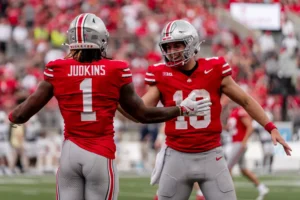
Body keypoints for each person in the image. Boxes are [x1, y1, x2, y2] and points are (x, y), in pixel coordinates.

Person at [8, 13, 210, 200]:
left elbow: (20, 115)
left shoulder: (58, 68)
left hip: (70, 153)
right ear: (101, 39)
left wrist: (12, 117)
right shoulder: (115, 69)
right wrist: (182, 109)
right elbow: (143, 114)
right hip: (100, 153)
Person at [120, 19, 291, 200]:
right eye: (168, 47)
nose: (172, 51)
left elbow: (246, 101)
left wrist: (270, 127)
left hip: (211, 155)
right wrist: (115, 100)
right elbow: (139, 112)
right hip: (176, 156)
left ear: (192, 43)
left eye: (177, 45)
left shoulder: (214, 69)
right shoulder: (160, 73)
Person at [226, 103, 269, 200]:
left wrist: (244, 141)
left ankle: (229, 195)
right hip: (235, 143)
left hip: (238, 143)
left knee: (227, 168)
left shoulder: (239, 112)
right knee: (243, 169)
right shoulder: (233, 113)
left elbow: (250, 126)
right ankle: (262, 188)